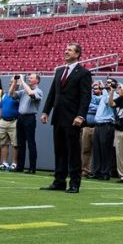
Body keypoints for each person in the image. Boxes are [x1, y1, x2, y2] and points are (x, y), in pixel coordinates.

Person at [41, 43, 93, 194]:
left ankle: (75, 183)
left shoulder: (83, 73)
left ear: (77, 54)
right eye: (66, 49)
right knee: (60, 150)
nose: (66, 51)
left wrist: (80, 115)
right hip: (58, 117)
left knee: (73, 152)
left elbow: (85, 97)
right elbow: (53, 93)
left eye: (70, 50)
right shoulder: (59, 71)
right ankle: (59, 181)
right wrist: (46, 111)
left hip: (72, 118)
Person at [14, 73, 44, 173]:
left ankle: (32, 168)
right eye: (29, 78)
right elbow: (11, 94)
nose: (29, 79)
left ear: (37, 80)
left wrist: (22, 81)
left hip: (30, 118)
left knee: (31, 143)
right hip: (21, 118)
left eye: (32, 78)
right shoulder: (23, 91)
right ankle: (20, 166)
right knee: (20, 143)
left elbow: (31, 94)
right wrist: (15, 82)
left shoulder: (38, 91)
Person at [91, 78, 118, 180]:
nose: (107, 84)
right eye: (106, 82)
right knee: (97, 149)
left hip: (107, 124)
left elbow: (108, 102)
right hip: (98, 124)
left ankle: (105, 172)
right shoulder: (103, 95)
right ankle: (97, 171)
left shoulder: (113, 95)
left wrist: (111, 90)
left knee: (105, 149)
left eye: (109, 83)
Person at [0, 76, 21, 171]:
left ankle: (14, 163)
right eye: (11, 81)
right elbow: (1, 108)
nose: (10, 83)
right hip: (3, 121)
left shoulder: (19, 94)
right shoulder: (4, 94)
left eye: (13, 82)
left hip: (14, 121)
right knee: (3, 143)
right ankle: (5, 163)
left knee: (15, 144)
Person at [81, 82, 105, 176]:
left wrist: (92, 107)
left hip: (98, 127)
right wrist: (96, 107)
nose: (94, 90)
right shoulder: (89, 97)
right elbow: (86, 106)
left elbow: (101, 108)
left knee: (97, 151)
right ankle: (85, 169)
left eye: (96, 88)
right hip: (87, 126)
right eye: (93, 88)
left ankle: (96, 171)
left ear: (101, 90)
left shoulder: (103, 98)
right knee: (85, 149)